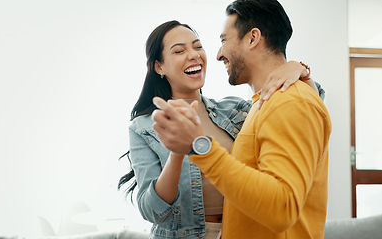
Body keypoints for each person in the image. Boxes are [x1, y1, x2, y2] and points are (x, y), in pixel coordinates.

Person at [118, 19, 324, 239]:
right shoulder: (144, 127)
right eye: (179, 51)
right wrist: (178, 152)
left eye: (198, 46)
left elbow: (308, 102)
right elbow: (152, 210)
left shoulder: (236, 110)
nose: (193, 54)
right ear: (159, 66)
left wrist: (297, 68)